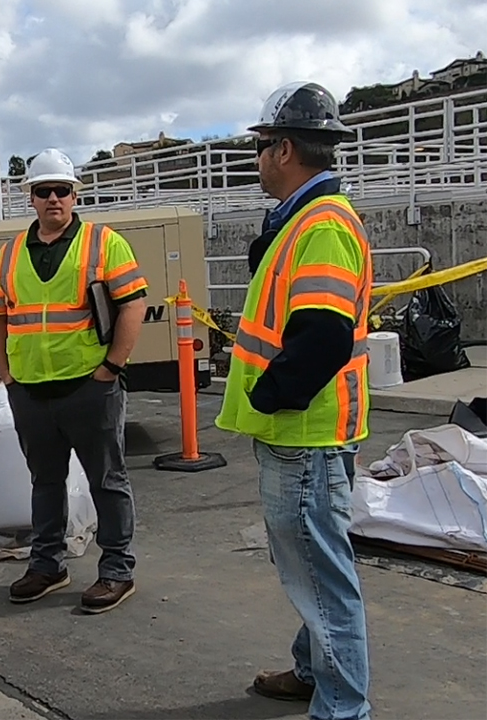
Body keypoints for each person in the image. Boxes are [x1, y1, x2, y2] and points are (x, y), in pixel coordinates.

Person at [215, 82, 374, 720]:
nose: (256, 161)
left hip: (303, 431)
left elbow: (325, 336)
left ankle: (342, 710)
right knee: (315, 568)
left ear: (284, 149)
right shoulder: (302, 220)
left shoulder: (324, 225)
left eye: (260, 148)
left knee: (322, 578)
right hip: (305, 429)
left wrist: (272, 394)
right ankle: (314, 673)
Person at [0, 149, 148, 614]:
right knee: (45, 482)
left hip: (88, 387)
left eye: (62, 190)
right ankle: (47, 564)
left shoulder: (103, 243)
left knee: (107, 481)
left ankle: (116, 569)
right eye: (43, 190)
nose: (53, 198)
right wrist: (8, 375)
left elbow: (133, 304)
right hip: (32, 391)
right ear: (30, 198)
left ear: (75, 194)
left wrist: (110, 368)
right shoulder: (11, 253)